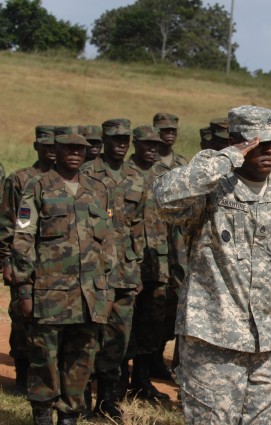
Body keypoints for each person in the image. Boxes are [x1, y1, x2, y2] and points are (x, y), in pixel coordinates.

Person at [153, 105, 271, 424]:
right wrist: (225, 158)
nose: (268, 150)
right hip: (213, 337)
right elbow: (164, 199)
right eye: (258, 142)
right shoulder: (211, 187)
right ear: (237, 142)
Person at [12, 131, 116, 425]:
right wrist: (23, 289)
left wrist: (107, 292)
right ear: (55, 151)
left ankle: (69, 414)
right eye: (68, 148)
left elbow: (107, 244)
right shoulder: (37, 186)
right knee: (44, 357)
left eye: (80, 149)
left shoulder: (98, 188)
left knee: (82, 359)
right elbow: (23, 239)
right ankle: (42, 414)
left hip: (88, 296)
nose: (74, 153)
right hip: (49, 293)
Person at [81, 118, 146, 419]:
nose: (121, 144)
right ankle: (80, 394)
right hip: (94, 270)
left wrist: (139, 267)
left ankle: (107, 399)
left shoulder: (135, 176)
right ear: (104, 140)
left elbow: (139, 226)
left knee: (119, 338)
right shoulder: (86, 173)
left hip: (125, 270)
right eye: (115, 139)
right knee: (88, 335)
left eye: (125, 139)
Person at [0, 125, 56, 395]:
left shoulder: (67, 181)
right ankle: (22, 377)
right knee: (22, 319)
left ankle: (44, 377)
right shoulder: (20, 179)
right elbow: (8, 224)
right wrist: (7, 262)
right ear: (37, 147)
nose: (51, 152)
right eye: (46, 146)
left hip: (55, 266)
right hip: (25, 262)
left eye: (55, 146)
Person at [126, 125, 171, 401]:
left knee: (151, 322)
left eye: (156, 144)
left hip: (158, 262)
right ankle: (117, 380)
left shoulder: (165, 177)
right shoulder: (124, 174)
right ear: (136, 144)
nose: (153, 148)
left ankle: (141, 380)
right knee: (123, 322)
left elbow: (176, 224)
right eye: (147, 143)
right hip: (129, 262)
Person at [150, 112, 188, 380]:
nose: (169, 134)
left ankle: (162, 359)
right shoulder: (145, 165)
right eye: (164, 130)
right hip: (155, 244)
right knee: (154, 308)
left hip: (180, 245)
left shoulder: (183, 164)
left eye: (173, 130)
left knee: (176, 304)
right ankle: (150, 359)